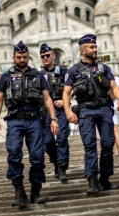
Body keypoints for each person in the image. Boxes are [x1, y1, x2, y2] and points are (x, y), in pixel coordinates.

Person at [0, 41, 59, 207]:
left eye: (25, 57)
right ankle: (19, 191)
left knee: (37, 156)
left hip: (34, 119)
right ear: (14, 57)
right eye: (19, 57)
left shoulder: (38, 75)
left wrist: (54, 119)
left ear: (28, 56)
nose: (22, 59)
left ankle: (35, 191)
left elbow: (47, 99)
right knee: (14, 153)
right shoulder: (6, 77)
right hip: (14, 120)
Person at [62, 34, 119, 196]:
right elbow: (66, 93)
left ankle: (105, 178)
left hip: (104, 108)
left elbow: (113, 85)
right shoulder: (73, 70)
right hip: (85, 111)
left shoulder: (104, 68)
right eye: (92, 47)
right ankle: (92, 179)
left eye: (95, 47)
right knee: (89, 145)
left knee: (108, 143)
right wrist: (68, 111)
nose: (95, 49)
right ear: (83, 50)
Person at [39, 43, 70, 183]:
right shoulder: (38, 75)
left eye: (47, 55)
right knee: (48, 142)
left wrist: (65, 101)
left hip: (61, 109)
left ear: (53, 56)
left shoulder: (64, 72)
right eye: (42, 56)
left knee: (62, 137)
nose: (45, 58)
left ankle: (62, 166)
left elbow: (72, 89)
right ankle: (56, 161)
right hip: (45, 112)